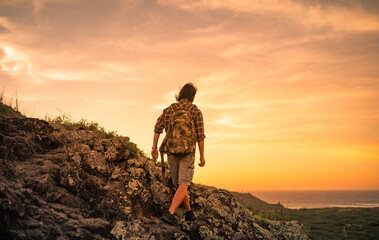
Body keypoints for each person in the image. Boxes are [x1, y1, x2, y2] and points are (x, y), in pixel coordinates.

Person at [151, 83, 206, 225]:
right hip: (188, 152)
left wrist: (154, 147)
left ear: (180, 94)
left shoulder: (169, 110)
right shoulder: (195, 111)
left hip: (171, 151)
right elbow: (200, 136)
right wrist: (202, 156)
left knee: (180, 185)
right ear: (193, 96)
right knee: (183, 184)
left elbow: (157, 128)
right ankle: (170, 213)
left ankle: (189, 213)